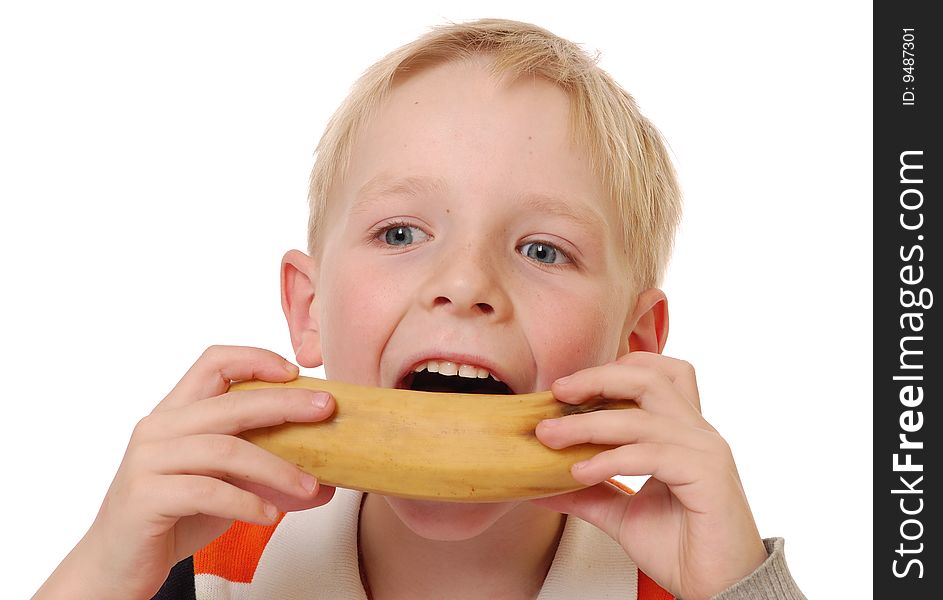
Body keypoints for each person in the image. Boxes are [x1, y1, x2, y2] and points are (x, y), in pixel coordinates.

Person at [35, 18, 805, 600]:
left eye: (542, 250)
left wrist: (738, 585)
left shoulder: (682, 580)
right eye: (400, 233)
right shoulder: (209, 566)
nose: (464, 283)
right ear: (308, 309)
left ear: (633, 351)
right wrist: (107, 565)